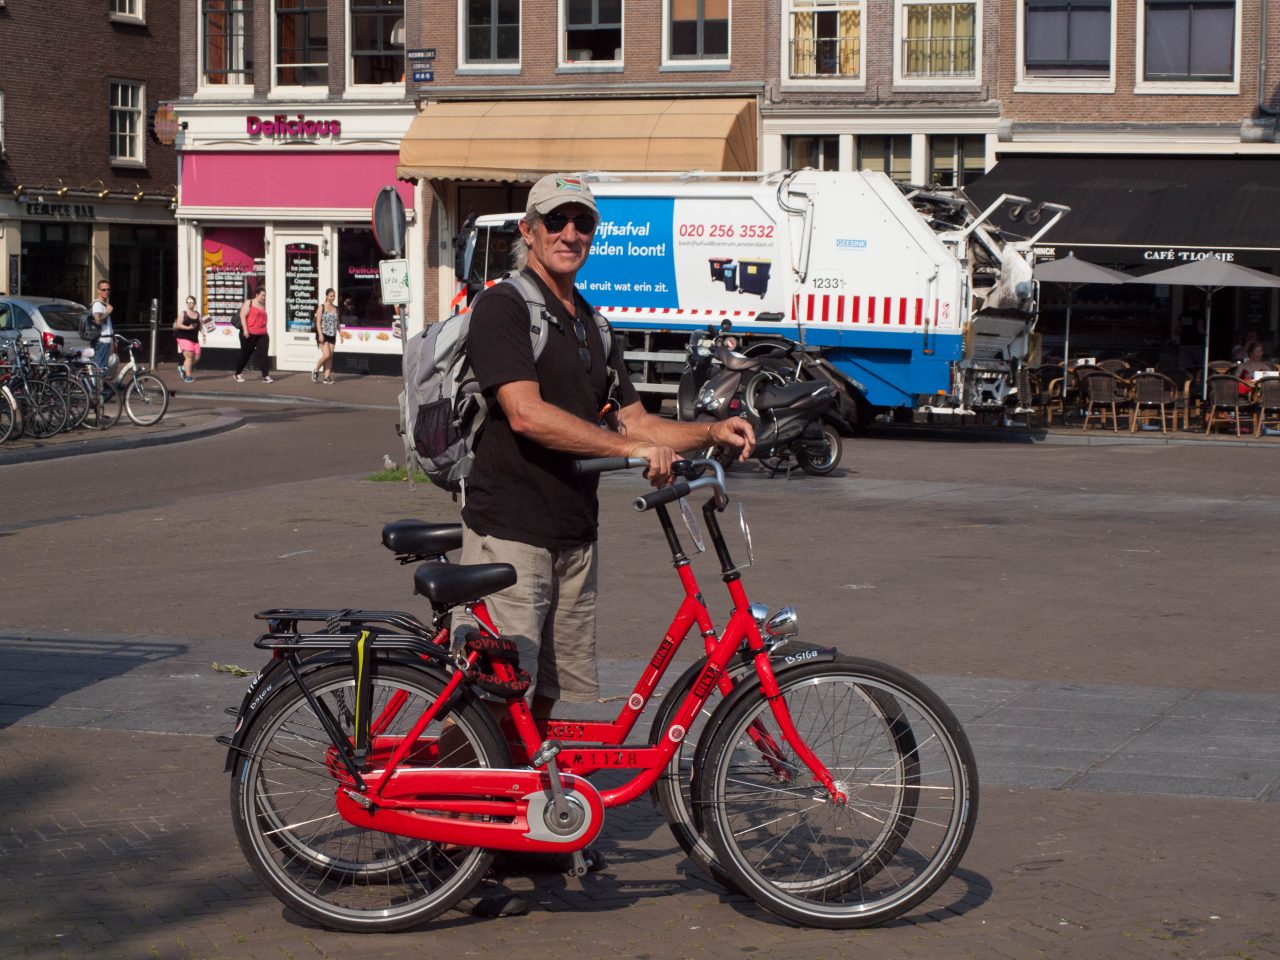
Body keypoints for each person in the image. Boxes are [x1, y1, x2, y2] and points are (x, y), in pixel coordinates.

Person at [460, 173, 755, 725]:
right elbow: (525, 413)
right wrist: (631, 451)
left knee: (548, 694)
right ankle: (451, 801)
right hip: (510, 535)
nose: (571, 233)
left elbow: (637, 420)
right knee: (492, 706)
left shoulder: (593, 324)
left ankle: (526, 798)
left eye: (584, 223)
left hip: (574, 533)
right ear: (528, 230)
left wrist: (712, 432)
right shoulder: (503, 306)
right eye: (556, 221)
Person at [235, 287, 273, 383]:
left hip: (262, 333)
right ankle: (237, 373)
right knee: (245, 355)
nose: (264, 297)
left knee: (264, 355)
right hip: (249, 333)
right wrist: (245, 330)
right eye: (262, 295)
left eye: (265, 296)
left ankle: (265, 376)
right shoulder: (249, 302)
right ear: (256, 295)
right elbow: (242, 315)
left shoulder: (264, 305)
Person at [312, 287, 339, 384]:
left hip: (332, 334)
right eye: (331, 296)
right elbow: (318, 322)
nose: (333, 297)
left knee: (330, 357)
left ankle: (326, 377)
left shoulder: (336, 308)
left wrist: (341, 332)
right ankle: (316, 370)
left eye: (334, 295)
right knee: (326, 355)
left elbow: (337, 322)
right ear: (327, 296)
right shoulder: (321, 307)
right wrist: (320, 335)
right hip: (323, 334)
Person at [174, 296, 203, 383]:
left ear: (195, 303)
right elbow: (178, 325)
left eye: (191, 301)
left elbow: (200, 326)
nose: (190, 303)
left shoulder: (197, 314)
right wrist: (188, 328)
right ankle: (188, 376)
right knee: (189, 356)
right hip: (183, 337)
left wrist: (204, 334)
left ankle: (183, 367)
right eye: (188, 302)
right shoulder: (183, 314)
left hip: (194, 338)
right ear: (186, 303)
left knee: (197, 357)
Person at [89, 279, 114, 375]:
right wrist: (107, 312)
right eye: (104, 290)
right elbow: (98, 320)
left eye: (108, 289)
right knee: (100, 369)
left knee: (103, 368)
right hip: (101, 342)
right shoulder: (97, 304)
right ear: (98, 290)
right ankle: (98, 389)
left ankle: (100, 387)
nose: (106, 291)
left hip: (106, 341)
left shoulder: (103, 305)